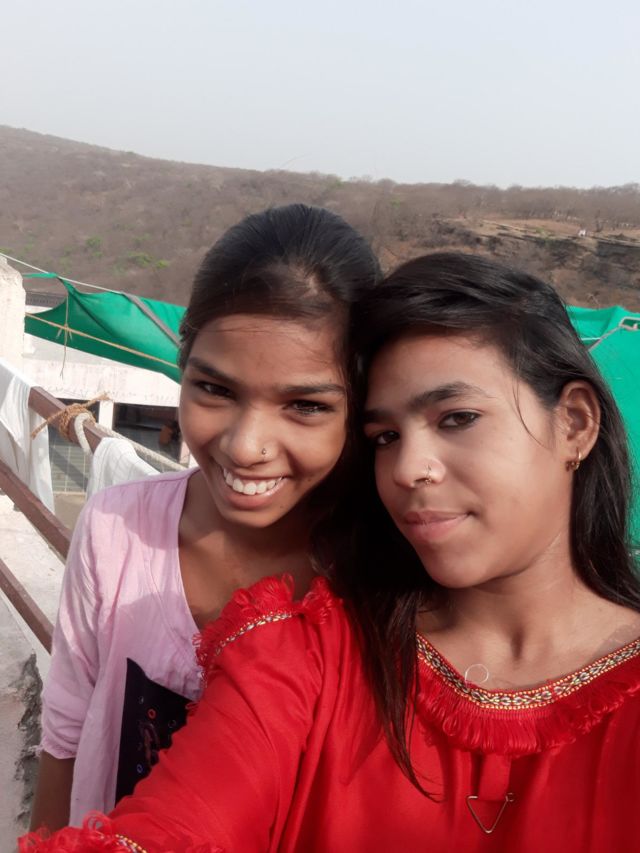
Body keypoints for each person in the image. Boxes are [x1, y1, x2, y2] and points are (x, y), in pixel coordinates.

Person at [22, 253, 640, 852]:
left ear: (575, 423)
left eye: (457, 418)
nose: (408, 468)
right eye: (386, 436)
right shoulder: (304, 657)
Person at [28, 203, 380, 832]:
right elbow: (67, 728)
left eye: (304, 405)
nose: (245, 446)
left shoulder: (382, 578)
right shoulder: (117, 528)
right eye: (215, 390)